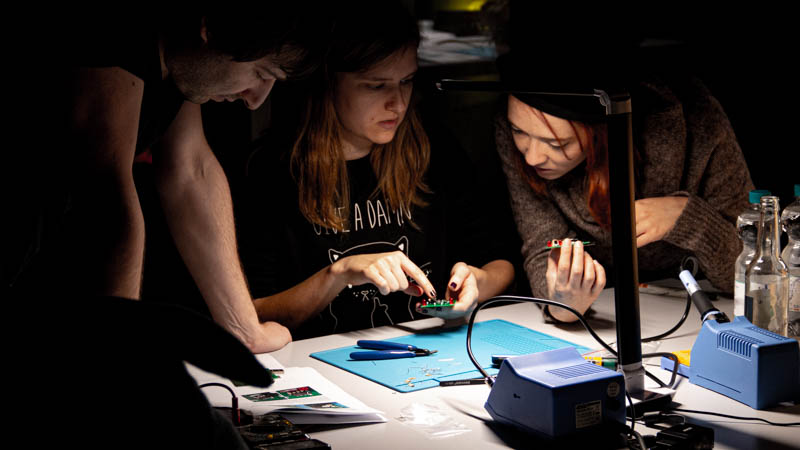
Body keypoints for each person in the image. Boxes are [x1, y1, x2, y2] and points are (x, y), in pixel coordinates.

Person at [8, 7, 323, 352]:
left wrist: (244, 328)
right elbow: (107, 201)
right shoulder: (112, 34)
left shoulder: (181, 67)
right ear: (211, 30)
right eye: (261, 72)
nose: (256, 99)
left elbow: (191, 169)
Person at [238, 1, 517, 339]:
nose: (397, 103)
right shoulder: (273, 172)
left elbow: (499, 263)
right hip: (320, 364)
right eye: (376, 85)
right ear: (328, 83)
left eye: (407, 81)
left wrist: (477, 286)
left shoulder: (433, 150)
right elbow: (250, 311)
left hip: (428, 351)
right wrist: (337, 274)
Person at [493, 48, 754, 322]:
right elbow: (541, 247)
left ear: (602, 132)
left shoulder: (699, 124)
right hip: (604, 314)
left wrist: (686, 217)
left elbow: (751, 275)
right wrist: (562, 305)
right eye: (518, 132)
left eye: (557, 144)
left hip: (695, 310)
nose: (532, 157)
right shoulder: (516, 129)